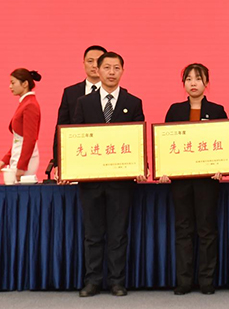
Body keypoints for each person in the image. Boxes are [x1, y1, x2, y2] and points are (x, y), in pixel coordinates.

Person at [72, 51, 146, 298]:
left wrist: (140, 166)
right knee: (92, 234)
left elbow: (138, 139)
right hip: (91, 181)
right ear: (98, 70)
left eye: (116, 68)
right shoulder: (84, 103)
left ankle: (117, 281)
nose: (111, 72)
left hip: (120, 182)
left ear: (122, 71)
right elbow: (75, 138)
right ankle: (92, 281)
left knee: (118, 234)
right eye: (107, 67)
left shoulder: (133, 102)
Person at [158, 64, 227, 295]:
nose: (194, 83)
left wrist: (222, 167)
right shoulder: (175, 110)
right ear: (184, 84)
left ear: (207, 82)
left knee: (207, 230)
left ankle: (206, 280)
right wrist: (164, 169)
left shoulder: (217, 110)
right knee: (183, 229)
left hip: (207, 180)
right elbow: (166, 144)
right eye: (189, 79)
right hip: (181, 181)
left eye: (198, 78)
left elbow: (224, 144)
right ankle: (184, 280)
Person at [52, 45, 106, 171]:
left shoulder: (117, 94)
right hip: (78, 156)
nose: (94, 65)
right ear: (83, 63)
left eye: (99, 61)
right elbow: (61, 128)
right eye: (90, 61)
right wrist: (58, 163)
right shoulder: (70, 93)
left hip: (106, 156)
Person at [1, 69, 42, 185]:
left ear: (25, 84)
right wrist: (4, 161)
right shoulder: (25, 103)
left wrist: (21, 166)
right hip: (19, 156)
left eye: (13, 83)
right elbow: (18, 140)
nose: (10, 86)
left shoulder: (30, 105)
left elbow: (30, 139)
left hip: (25, 160)